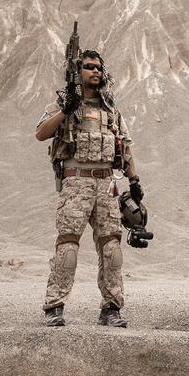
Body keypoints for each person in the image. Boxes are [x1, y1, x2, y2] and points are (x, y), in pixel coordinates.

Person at [34, 49, 139, 327]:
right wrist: (66, 109)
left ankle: (112, 307)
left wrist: (135, 182)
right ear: (77, 72)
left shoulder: (110, 109)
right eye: (89, 67)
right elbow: (41, 133)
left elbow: (125, 147)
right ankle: (54, 306)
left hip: (106, 184)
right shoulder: (63, 105)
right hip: (76, 182)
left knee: (112, 248)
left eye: (98, 68)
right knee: (67, 245)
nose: (95, 71)